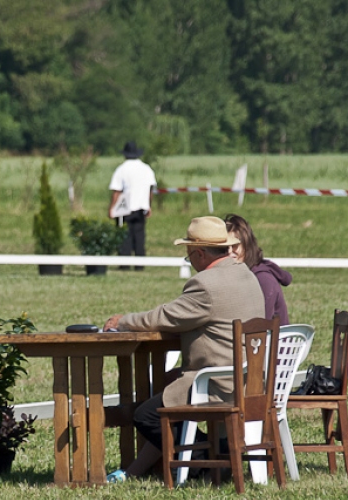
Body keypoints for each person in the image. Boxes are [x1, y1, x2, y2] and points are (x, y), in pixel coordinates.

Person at [102, 216, 265, 482]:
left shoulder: (205, 285)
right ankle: (218, 456)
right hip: (250, 381)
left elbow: (162, 317)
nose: (190, 263)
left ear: (200, 253)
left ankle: (208, 464)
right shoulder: (246, 274)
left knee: (146, 416)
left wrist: (121, 321)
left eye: (189, 257)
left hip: (217, 384)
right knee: (167, 392)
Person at [225, 214, 292, 325]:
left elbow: (260, 327)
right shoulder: (233, 275)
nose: (229, 252)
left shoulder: (263, 279)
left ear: (247, 245)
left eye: (235, 246)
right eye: (224, 247)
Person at [108, 141, 157, 270]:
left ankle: (124, 264)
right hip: (141, 207)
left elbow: (117, 191)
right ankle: (139, 264)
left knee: (125, 237)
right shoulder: (146, 169)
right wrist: (149, 206)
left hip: (125, 208)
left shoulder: (122, 169)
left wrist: (112, 208)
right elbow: (150, 190)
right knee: (139, 236)